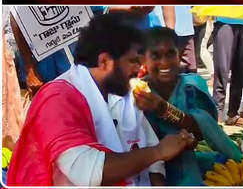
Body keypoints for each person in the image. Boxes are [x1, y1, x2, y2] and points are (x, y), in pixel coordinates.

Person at [7, 14, 195, 186]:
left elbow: (153, 161)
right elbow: (87, 171)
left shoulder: (124, 93)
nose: (139, 69)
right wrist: (158, 152)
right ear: (104, 61)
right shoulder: (57, 99)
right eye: (132, 61)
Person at [133, 27, 243, 185]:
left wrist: (163, 108)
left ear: (179, 54)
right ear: (143, 59)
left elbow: (203, 131)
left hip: (183, 163)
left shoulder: (192, 86)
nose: (164, 62)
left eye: (170, 54)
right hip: (145, 165)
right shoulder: (136, 92)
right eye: (156, 55)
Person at [212, 12, 243, 126]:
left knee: (242, 70)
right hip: (225, 19)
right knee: (222, 68)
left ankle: (233, 113)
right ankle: (217, 111)